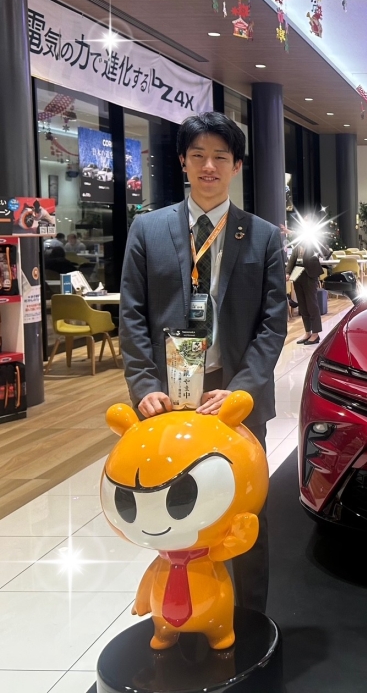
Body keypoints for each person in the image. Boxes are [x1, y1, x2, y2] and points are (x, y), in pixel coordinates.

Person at [119, 111, 287, 614]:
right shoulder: (147, 230)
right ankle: (182, 612)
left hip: (234, 397)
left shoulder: (262, 236)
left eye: (220, 157)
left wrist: (242, 390)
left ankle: (250, 617)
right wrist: (144, 383)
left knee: (245, 510)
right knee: (175, 506)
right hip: (169, 396)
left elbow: (272, 324)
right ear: (182, 162)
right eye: (198, 156)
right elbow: (132, 314)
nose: (208, 166)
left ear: (237, 166)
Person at [287, 242, 324, 344]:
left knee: (312, 305)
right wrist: (288, 272)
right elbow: (292, 259)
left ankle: (315, 333)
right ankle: (308, 332)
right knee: (302, 305)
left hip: (310, 275)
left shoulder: (313, 240)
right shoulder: (297, 243)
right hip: (298, 274)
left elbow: (323, 251)